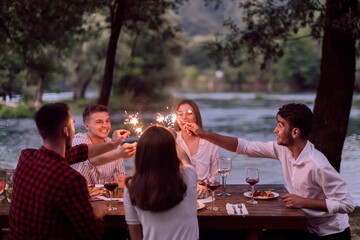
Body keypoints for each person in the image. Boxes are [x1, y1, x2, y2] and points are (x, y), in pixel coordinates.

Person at [185, 103, 355, 240]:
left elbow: (347, 204)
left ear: (295, 132)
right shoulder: (283, 150)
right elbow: (245, 147)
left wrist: (303, 201)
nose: (275, 130)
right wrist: (204, 134)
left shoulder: (318, 164)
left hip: (329, 234)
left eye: (281, 125)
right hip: (301, 225)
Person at [8, 103, 130, 240]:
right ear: (66, 131)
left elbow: (80, 152)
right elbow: (93, 233)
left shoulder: (26, 157)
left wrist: (113, 144)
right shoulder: (71, 180)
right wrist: (98, 213)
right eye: (72, 124)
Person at [124, 125, 199, 240]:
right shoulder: (189, 175)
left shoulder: (131, 187)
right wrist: (173, 140)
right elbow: (185, 160)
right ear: (171, 153)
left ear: (141, 155)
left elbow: (135, 236)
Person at [71, 104, 136, 185]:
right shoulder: (78, 140)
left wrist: (121, 178)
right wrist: (117, 150)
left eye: (107, 121)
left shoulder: (116, 146)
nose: (105, 126)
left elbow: (120, 175)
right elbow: (92, 160)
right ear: (87, 126)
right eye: (99, 122)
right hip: (80, 195)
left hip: (105, 197)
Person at [174, 99, 220, 198]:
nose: (184, 117)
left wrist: (206, 186)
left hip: (206, 195)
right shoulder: (171, 140)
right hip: (178, 196)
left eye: (189, 113)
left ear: (196, 116)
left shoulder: (210, 141)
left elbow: (215, 175)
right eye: (180, 114)